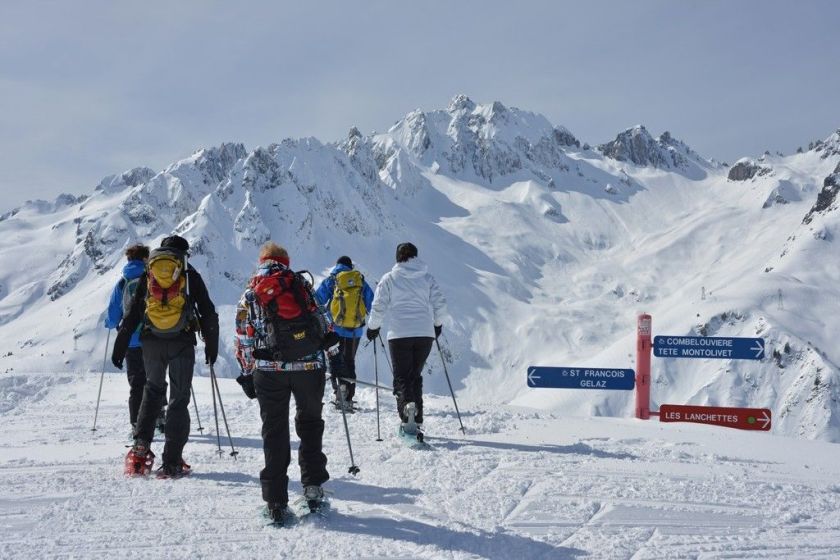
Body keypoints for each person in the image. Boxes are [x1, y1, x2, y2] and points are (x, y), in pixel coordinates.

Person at [234, 241, 330, 525]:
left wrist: (248, 371)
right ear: (285, 262)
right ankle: (312, 490)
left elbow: (243, 337)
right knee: (310, 424)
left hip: (269, 369)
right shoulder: (301, 284)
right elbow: (324, 323)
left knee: (274, 431)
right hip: (310, 366)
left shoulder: (251, 291)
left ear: (262, 260)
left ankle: (275, 502)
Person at [112, 235, 219, 478]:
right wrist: (211, 347)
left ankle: (139, 452)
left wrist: (120, 345)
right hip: (181, 342)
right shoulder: (188, 274)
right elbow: (208, 312)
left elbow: (133, 313)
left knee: (152, 391)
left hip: (151, 343)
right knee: (178, 399)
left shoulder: (149, 273)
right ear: (184, 254)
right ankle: (171, 462)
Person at [366, 242, 448, 437]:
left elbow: (378, 306)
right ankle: (417, 418)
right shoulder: (427, 278)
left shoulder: (389, 278)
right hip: (424, 334)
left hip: (399, 334)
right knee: (415, 375)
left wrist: (373, 328)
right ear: (416, 256)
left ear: (397, 257)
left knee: (402, 377)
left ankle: (407, 415)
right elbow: (440, 303)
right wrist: (437, 325)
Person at [104, 244, 159, 434]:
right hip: (153, 338)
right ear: (146, 259)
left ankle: (137, 425)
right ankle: (160, 418)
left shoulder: (122, 283)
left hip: (131, 341)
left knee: (137, 383)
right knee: (155, 380)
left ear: (128, 260)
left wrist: (110, 323)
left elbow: (112, 317)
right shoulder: (154, 278)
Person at [314, 256, 374, 409]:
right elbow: (372, 302)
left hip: (335, 329)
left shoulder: (332, 280)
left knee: (336, 361)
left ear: (337, 265)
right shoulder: (359, 280)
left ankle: (339, 391)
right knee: (349, 361)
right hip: (355, 331)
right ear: (350, 266)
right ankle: (348, 396)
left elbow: (317, 300)